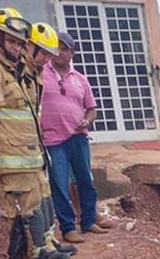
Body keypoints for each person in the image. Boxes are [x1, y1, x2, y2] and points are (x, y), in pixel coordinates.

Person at [0, 7, 72, 259]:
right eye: (11, 41)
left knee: (36, 211)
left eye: (19, 42)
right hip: (10, 161)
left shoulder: (10, 68)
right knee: (24, 217)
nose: (17, 47)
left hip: (26, 156)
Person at [41, 30, 111, 244]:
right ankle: (68, 227)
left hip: (78, 138)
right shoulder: (40, 74)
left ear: (72, 52)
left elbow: (92, 109)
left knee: (85, 181)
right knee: (60, 184)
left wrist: (87, 121)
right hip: (53, 140)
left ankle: (88, 221)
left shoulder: (80, 79)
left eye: (64, 48)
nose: (59, 52)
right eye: (56, 48)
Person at [24, 22, 76, 259]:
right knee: (32, 201)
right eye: (44, 53)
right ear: (30, 46)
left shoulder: (32, 73)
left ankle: (48, 243)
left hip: (35, 146)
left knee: (45, 195)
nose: (47, 59)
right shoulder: (13, 72)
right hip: (18, 151)